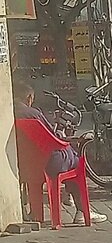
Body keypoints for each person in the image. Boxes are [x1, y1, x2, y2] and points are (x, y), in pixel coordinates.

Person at [13, 79, 106, 225]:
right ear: (29, 98)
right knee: (75, 161)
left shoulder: (9, 114)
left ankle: (37, 213)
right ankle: (81, 211)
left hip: (25, 164)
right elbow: (54, 138)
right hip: (49, 163)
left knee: (67, 156)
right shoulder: (33, 114)